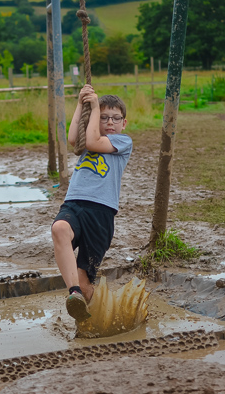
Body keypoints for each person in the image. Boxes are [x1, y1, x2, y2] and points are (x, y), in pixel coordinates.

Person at [51, 84, 133, 321]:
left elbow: (94, 142)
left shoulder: (122, 142)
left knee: (86, 283)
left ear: (124, 123)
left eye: (116, 118)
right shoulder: (88, 138)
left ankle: (103, 318)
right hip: (74, 203)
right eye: (104, 117)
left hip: (101, 213)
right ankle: (73, 292)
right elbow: (74, 138)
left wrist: (95, 106)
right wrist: (81, 104)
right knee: (59, 228)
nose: (110, 122)